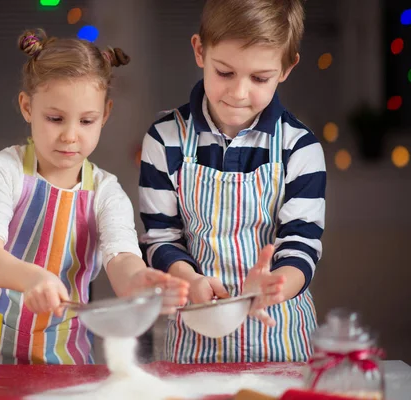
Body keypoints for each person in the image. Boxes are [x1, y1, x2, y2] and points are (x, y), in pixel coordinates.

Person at [0, 29, 189, 365]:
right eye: (55, 118)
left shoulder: (106, 193)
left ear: (106, 115)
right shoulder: (5, 169)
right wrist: (34, 278)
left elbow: (120, 259)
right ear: (27, 107)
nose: (71, 136)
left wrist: (139, 280)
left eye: (87, 121)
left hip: (66, 360)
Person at [139, 0, 326, 363]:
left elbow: (301, 245)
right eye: (224, 72)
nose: (239, 93)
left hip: (281, 337)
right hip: (195, 339)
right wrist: (189, 280)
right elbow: (160, 237)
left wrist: (274, 286)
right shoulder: (164, 140)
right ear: (200, 50)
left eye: (259, 78)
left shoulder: (299, 148)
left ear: (286, 68)